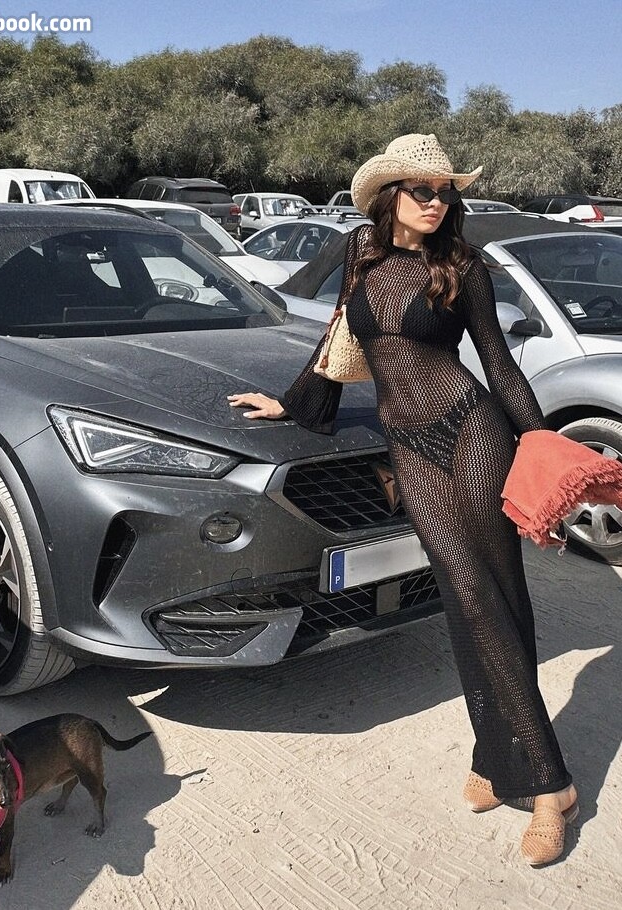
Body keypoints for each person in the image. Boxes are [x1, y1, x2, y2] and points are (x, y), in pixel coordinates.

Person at [228, 133, 578, 866]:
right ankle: (495, 759)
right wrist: (291, 403)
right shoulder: (361, 253)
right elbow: (337, 344)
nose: (436, 202)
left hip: (472, 430)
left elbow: (499, 364)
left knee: (493, 596)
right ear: (389, 196)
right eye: (422, 190)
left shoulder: (463, 266)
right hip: (409, 447)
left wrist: (544, 443)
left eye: (445, 192)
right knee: (463, 599)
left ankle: (549, 785)